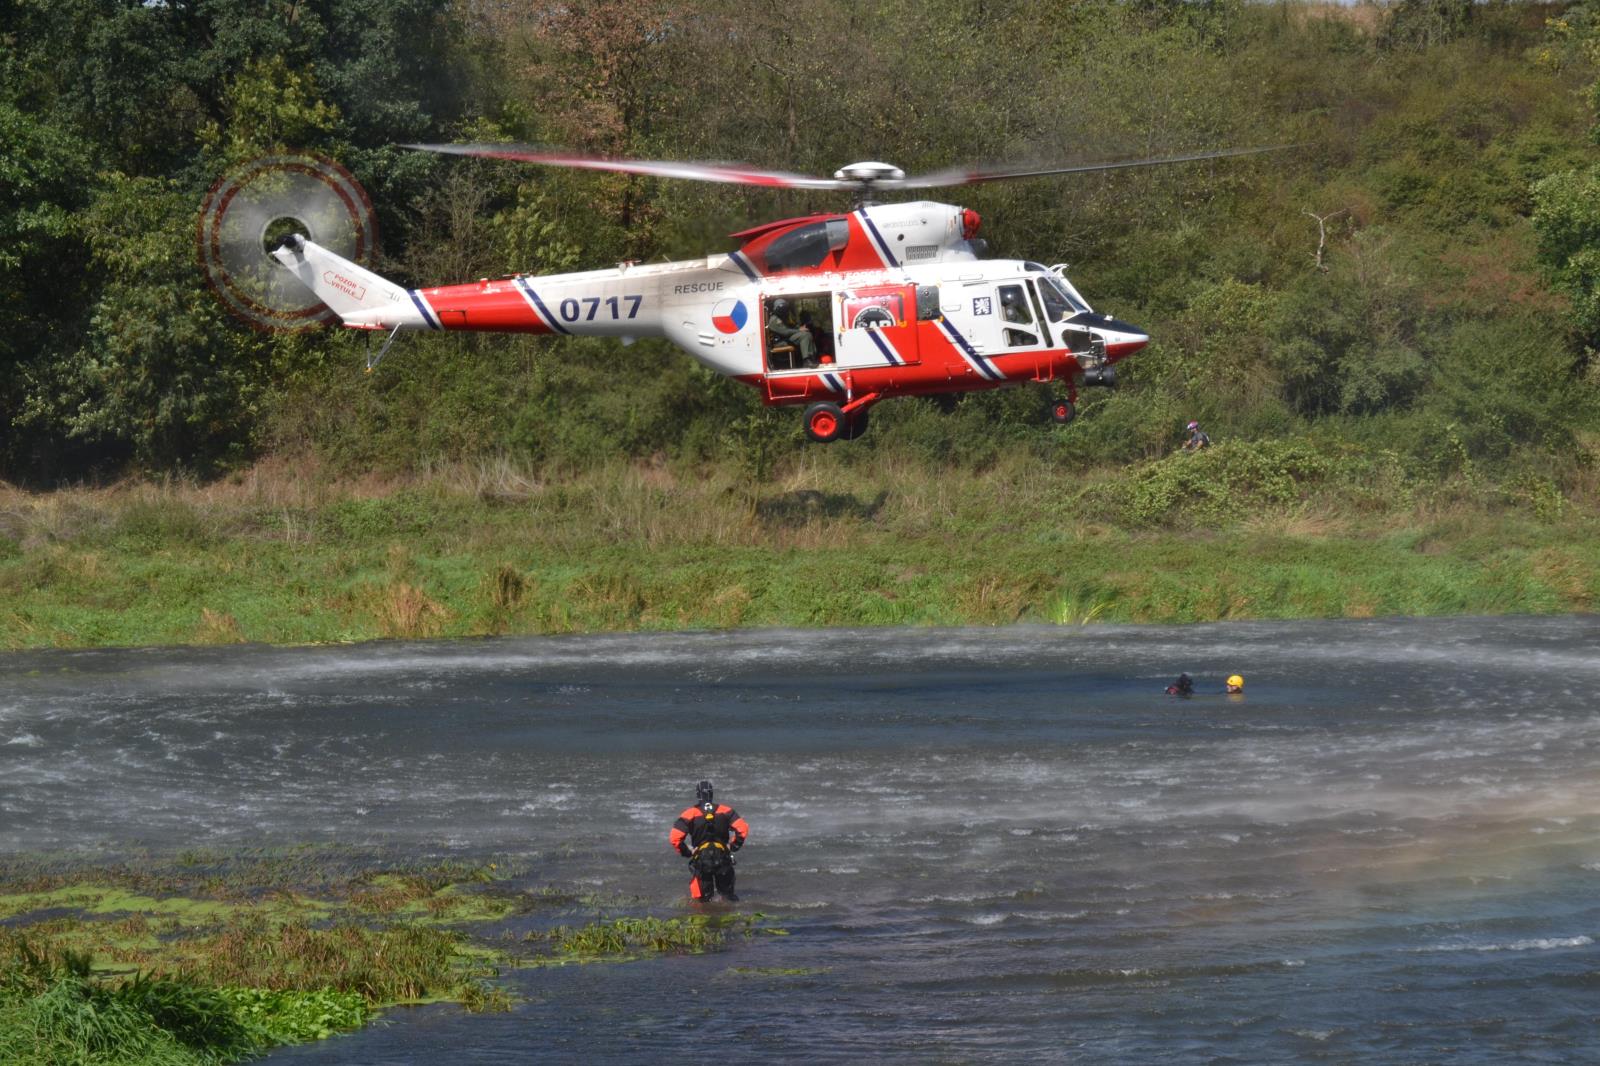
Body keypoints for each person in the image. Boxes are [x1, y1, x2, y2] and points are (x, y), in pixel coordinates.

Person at [669, 780, 750, 902]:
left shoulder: (689, 813)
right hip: (723, 858)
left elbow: (674, 838)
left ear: (697, 794)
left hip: (701, 860)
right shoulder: (726, 810)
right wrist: (733, 846)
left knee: (702, 901)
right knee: (727, 898)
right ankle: (730, 917)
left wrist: (688, 851)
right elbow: (743, 828)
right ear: (712, 794)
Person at [767, 298, 816, 365]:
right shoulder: (774, 320)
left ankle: (812, 358)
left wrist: (799, 327)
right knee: (805, 335)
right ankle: (806, 360)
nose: (784, 310)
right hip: (779, 342)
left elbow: (791, 326)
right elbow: (785, 332)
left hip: (786, 338)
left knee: (808, 333)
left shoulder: (783, 317)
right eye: (782, 308)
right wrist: (799, 330)